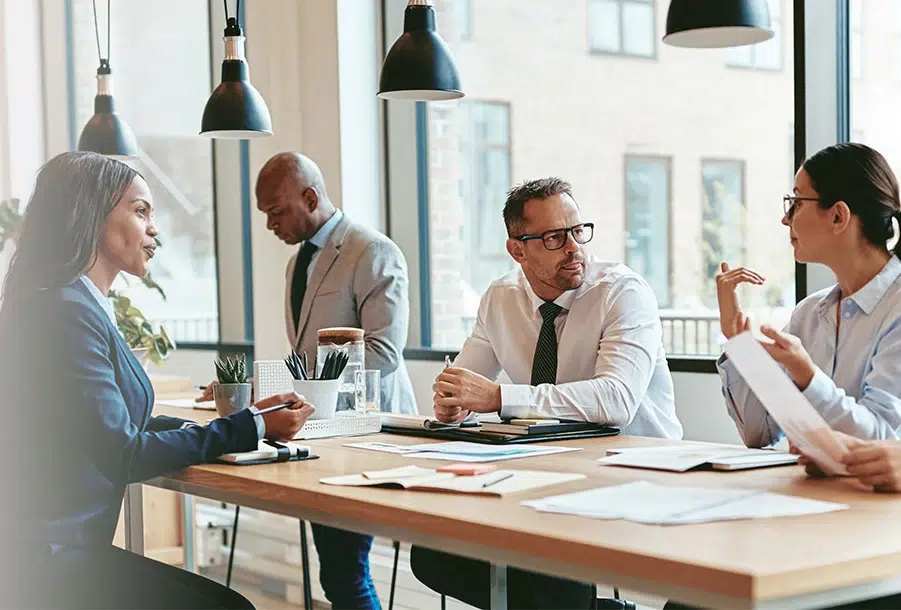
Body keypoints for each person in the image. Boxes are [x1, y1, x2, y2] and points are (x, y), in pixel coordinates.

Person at [0, 151, 313, 609]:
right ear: (91, 215)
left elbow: (105, 426)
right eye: (141, 210)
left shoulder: (68, 304)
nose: (155, 228)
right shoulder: (68, 312)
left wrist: (231, 422)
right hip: (50, 564)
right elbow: (123, 453)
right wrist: (253, 428)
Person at [410, 177, 683, 610]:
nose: (574, 247)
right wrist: (452, 404)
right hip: (544, 470)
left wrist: (500, 397)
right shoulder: (500, 298)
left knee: (548, 572)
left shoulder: (623, 293)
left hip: (635, 471)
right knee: (434, 554)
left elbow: (616, 400)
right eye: (555, 237)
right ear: (517, 249)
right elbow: (463, 384)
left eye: (578, 231)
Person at [199, 151, 416, 609]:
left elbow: (383, 354)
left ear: (311, 197)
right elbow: (305, 358)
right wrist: (256, 391)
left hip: (366, 435)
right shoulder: (296, 264)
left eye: (276, 211)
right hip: (319, 439)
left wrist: (303, 393)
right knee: (337, 573)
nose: (269, 225)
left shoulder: (372, 251)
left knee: (344, 574)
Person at [715, 142, 901, 449]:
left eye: (796, 202)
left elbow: (882, 441)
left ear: (838, 217)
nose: (786, 219)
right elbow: (759, 433)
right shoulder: (810, 312)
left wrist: (807, 376)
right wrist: (740, 344)